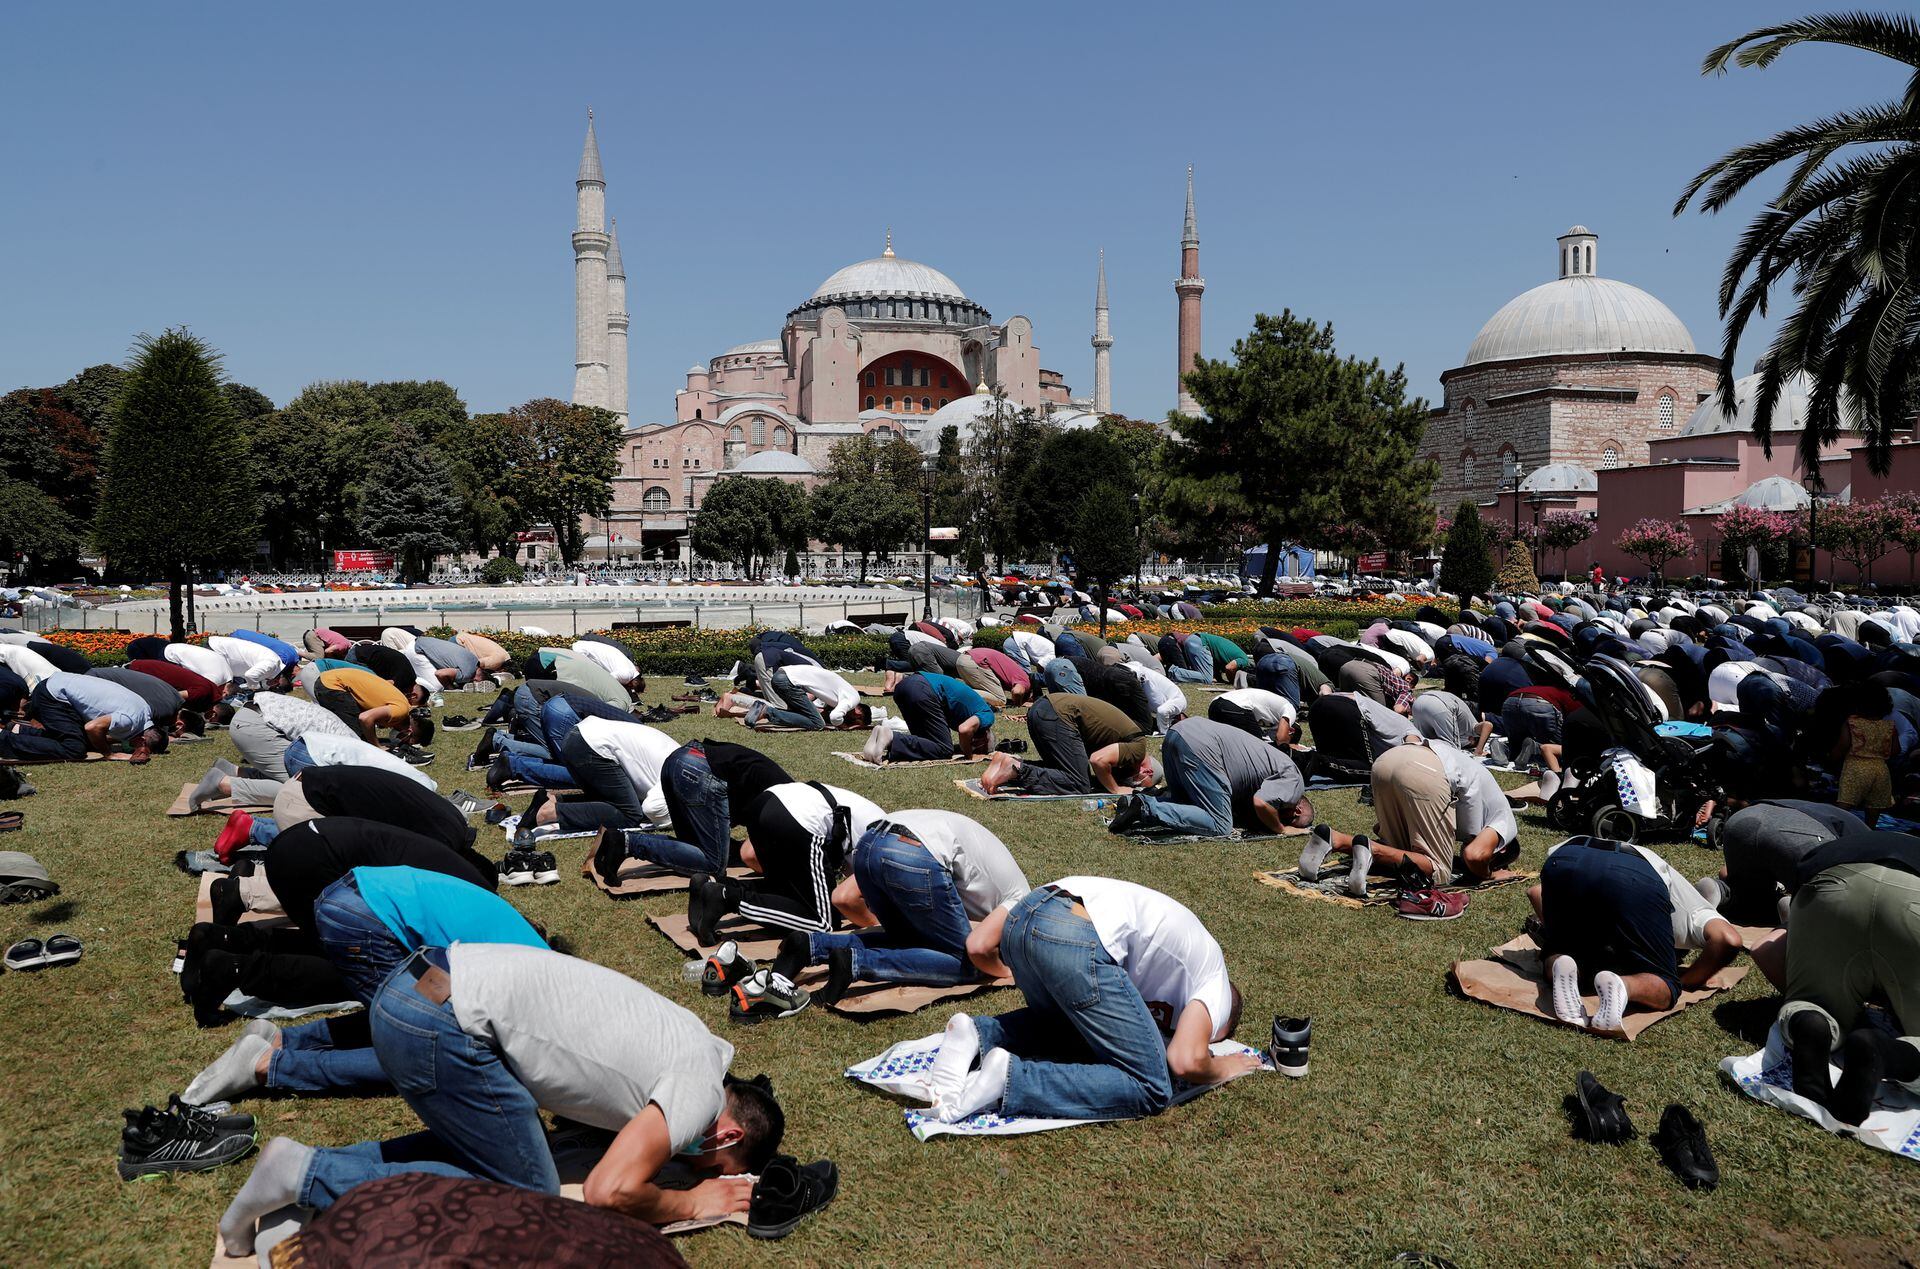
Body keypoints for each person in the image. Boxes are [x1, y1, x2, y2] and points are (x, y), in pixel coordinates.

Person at [216, 942, 785, 1256]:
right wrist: (694, 1202)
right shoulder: (700, 1093)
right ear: (727, 1134)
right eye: (708, 1163)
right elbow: (609, 1191)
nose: (686, 1164)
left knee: (503, 1142)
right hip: (443, 1021)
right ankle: (306, 1172)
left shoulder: (695, 1040)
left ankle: (318, 1175)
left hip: (423, 976)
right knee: (528, 1195)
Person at [182, 866, 547, 1103]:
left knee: (410, 1016)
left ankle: (280, 1040)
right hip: (367, 916)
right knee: (418, 1049)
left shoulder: (512, 933)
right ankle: (269, 1065)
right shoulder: (536, 970)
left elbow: (437, 991)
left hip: (353, 892)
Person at [917, 877, 1255, 1123]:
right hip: (1073, 934)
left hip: (1027, 916)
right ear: (1223, 1019)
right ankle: (1012, 1077)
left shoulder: (1182, 964)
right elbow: (1186, 1061)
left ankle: (977, 1034)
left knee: (1079, 1035)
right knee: (1152, 1086)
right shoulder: (1217, 986)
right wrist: (1224, 1065)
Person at [770, 810, 1031, 1003]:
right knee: (967, 964)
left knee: (908, 940)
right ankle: (856, 964)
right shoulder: (1022, 899)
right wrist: (1004, 971)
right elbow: (978, 949)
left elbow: (844, 895)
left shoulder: (998, 880)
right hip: (916, 850)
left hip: (870, 843)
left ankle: (811, 945)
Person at [1528, 837, 1743, 1033]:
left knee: (1565, 951)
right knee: (1668, 987)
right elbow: (1728, 939)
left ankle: (1559, 962)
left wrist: (1559, 935)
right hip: (1631, 876)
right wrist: (1687, 979)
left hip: (1566, 856)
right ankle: (1623, 986)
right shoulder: (1699, 913)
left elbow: (1535, 892)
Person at [1777, 829, 1920, 1125]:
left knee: (1813, 1002)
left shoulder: (1847, 838)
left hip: (1831, 886)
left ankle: (1810, 1021)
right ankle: (1886, 1052)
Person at [1297, 738, 1519, 896]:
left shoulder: (1483, 798)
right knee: (1439, 871)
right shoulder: (1505, 823)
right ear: (1501, 849)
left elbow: (1379, 828)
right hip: (1426, 771)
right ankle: (1372, 851)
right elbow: (1474, 856)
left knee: (1404, 858)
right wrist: (1489, 874)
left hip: (1388, 761)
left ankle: (1335, 840)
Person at [687, 781, 884, 942]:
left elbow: (748, 854)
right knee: (824, 921)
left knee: (789, 894)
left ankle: (713, 885)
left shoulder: (882, 826)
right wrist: (878, 926)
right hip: (803, 819)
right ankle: (727, 897)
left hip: (768, 801)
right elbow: (845, 899)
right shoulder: (885, 852)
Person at [593, 738, 792, 878]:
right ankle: (628, 843)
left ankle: (620, 841)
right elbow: (751, 855)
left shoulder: (787, 792)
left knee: (692, 848)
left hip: (679, 759)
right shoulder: (788, 806)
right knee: (713, 865)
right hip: (699, 772)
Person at [1110, 717, 1311, 839]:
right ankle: (1145, 807)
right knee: (1221, 824)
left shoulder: (1277, 768)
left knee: (1187, 802)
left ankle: (1131, 803)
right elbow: (1261, 803)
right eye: (1291, 819)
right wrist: (1282, 829)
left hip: (1178, 733)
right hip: (1202, 747)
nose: (1282, 817)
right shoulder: (1295, 783)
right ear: (1298, 808)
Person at [979, 694, 1151, 797]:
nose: (1132, 781)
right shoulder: (1138, 748)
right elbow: (1098, 761)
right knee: (1079, 783)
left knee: (1060, 770)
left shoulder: (1129, 741)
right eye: (1137, 782)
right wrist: (1116, 789)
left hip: (1044, 709)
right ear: (1146, 771)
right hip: (1058, 716)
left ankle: (1007, 761)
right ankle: (1016, 768)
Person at [528, 716, 679, 834]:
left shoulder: (681, 757)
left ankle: (551, 801)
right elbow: (653, 809)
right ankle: (548, 813)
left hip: (580, 737)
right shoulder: (679, 773)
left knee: (609, 802)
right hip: (591, 747)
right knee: (630, 814)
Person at [0, 670, 161, 763]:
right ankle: (3, 740)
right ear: (142, 740)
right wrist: (109, 754)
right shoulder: (130, 721)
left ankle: (17, 729)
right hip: (54, 695)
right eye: (135, 746)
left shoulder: (144, 712)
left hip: (58, 687)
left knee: (78, 739)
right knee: (74, 748)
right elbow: (92, 727)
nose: (131, 747)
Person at [860, 671, 993, 764]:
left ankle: (879, 738)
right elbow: (964, 730)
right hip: (924, 690)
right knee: (944, 749)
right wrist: (969, 756)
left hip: (905, 687)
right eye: (980, 747)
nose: (976, 747)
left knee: (926, 743)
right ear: (986, 738)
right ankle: (891, 737)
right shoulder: (987, 715)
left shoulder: (968, 712)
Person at [716, 662, 868, 733]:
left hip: (783, 676)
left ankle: (759, 708)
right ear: (859, 712)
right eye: (857, 720)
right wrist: (845, 727)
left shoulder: (843, 694)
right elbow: (835, 717)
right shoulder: (854, 699)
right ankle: (767, 712)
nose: (854, 721)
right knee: (817, 723)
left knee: (802, 715)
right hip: (789, 681)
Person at [1834, 683, 1897, 820]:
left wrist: (1833, 756)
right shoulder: (1889, 726)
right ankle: (1869, 832)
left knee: (1844, 805)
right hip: (1880, 770)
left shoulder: (1852, 723)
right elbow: (1896, 750)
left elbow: (1843, 745)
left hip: (1856, 767)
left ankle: (1836, 831)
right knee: (1874, 808)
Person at [312, 665, 419, 742]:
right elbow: (365, 718)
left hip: (330, 679)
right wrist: (376, 745)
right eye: (406, 740)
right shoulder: (400, 711)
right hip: (333, 684)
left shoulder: (406, 705)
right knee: (354, 735)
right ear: (408, 731)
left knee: (356, 733)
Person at [1207, 687, 1297, 745]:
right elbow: (1281, 738)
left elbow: (1270, 739)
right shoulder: (1290, 710)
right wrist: (1289, 746)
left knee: (1225, 744)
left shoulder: (1274, 717)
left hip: (1215, 705)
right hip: (1234, 706)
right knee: (1257, 746)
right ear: (1291, 730)